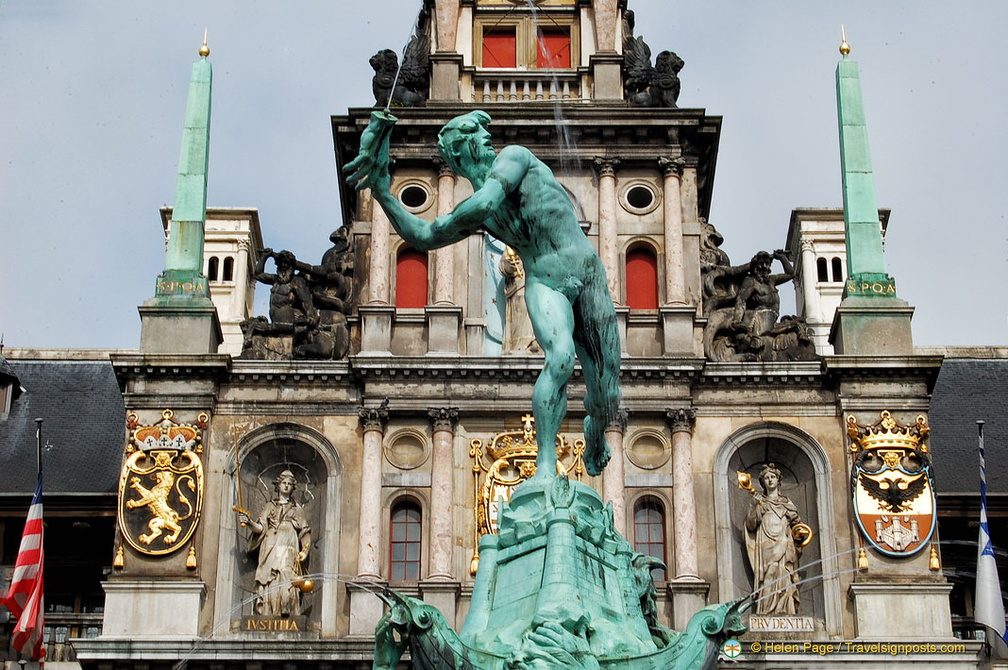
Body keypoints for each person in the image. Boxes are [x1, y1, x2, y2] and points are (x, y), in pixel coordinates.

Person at [345, 110, 621, 477]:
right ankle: (545, 465)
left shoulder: (515, 159)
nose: (487, 141)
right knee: (560, 357)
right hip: (543, 280)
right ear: (461, 152)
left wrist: (448, 220)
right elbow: (423, 238)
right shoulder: (479, 207)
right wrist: (382, 193)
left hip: (585, 273)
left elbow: (481, 205)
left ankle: (596, 431)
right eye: (477, 136)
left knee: (607, 395)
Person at [237, 470, 311, 616]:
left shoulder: (297, 509)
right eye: (284, 483)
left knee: (286, 573)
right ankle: (268, 610)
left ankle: (286, 607)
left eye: (290, 484)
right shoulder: (269, 507)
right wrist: (249, 522)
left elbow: (305, 533)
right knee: (269, 577)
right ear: (278, 485)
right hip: (270, 544)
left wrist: (305, 551)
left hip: (289, 545)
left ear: (293, 487)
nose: (286, 486)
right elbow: (261, 528)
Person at [744, 463, 803, 615]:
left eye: (773, 477)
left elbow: (798, 527)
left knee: (783, 571)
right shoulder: (761, 503)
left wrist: (797, 528)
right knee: (769, 573)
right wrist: (753, 505)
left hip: (783, 539)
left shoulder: (787, 503)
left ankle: (784, 607)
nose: (770, 480)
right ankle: (765, 608)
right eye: (767, 478)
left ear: (778, 480)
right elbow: (751, 524)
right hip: (766, 542)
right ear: (763, 483)